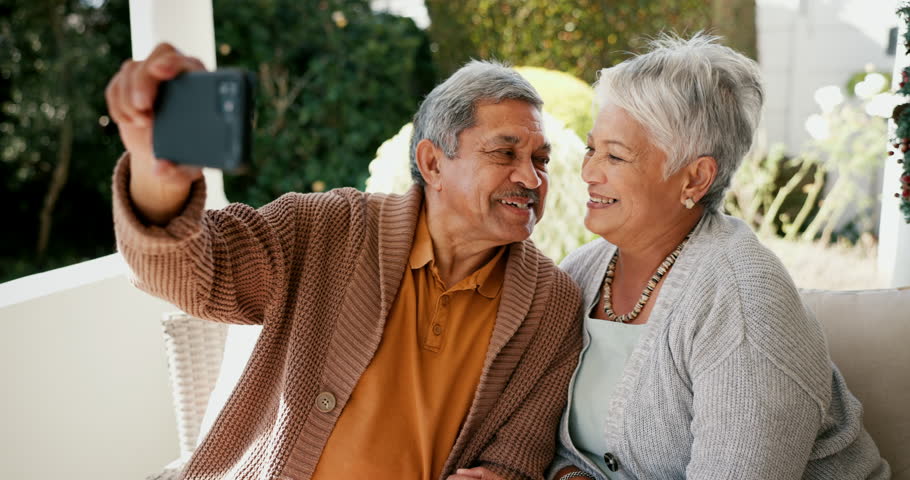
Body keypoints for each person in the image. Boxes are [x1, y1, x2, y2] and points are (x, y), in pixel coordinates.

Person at [105, 43, 582, 480]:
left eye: (540, 159)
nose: (532, 177)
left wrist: (502, 476)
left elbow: (521, 453)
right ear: (433, 164)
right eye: (505, 153)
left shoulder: (552, 304)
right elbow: (194, 273)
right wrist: (158, 177)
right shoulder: (327, 227)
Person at [548, 34, 890, 480]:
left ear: (695, 179)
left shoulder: (745, 301)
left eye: (615, 155)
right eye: (592, 148)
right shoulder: (581, 272)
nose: (589, 171)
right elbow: (549, 438)